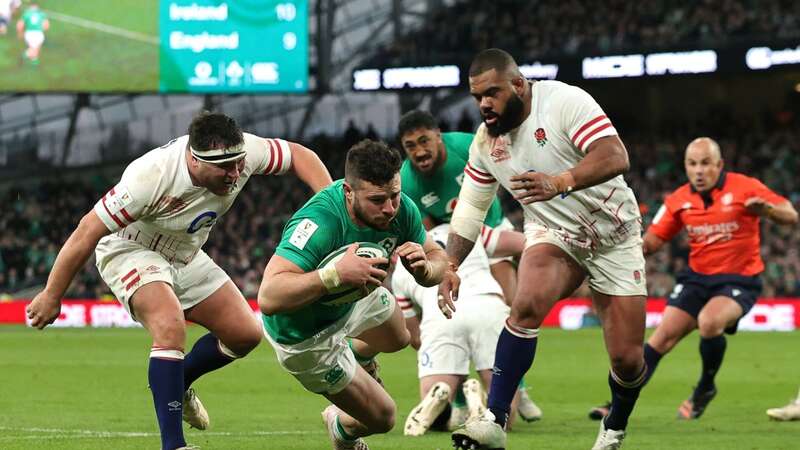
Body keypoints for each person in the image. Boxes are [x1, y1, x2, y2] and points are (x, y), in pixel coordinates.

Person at [26, 112, 333, 450]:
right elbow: (87, 231)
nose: (236, 174)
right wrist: (52, 295)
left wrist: (334, 209)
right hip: (130, 248)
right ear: (195, 159)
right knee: (170, 327)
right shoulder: (151, 177)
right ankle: (174, 445)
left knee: (245, 334)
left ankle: (179, 381)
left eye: (238, 164)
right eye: (225, 168)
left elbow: (302, 156)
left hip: (185, 252)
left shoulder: (245, 153)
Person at [438, 48, 648, 450]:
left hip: (615, 234)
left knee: (627, 360)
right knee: (526, 304)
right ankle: (495, 420)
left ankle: (614, 428)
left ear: (518, 84)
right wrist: (450, 264)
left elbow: (615, 155)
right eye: (477, 96)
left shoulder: (564, 101)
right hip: (554, 232)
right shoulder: (486, 144)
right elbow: (469, 211)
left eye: (493, 93)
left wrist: (560, 180)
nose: (484, 104)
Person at [258, 139, 457, 450]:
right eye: (377, 200)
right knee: (383, 418)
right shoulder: (319, 222)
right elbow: (269, 297)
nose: (390, 208)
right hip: (304, 336)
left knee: (398, 337)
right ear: (349, 193)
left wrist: (425, 270)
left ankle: (358, 356)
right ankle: (339, 427)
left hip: (353, 300)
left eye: (394, 195)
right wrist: (334, 275)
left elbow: (436, 258)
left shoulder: (400, 208)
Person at [589, 137, 798, 422]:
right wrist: (619, 251)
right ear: (686, 166)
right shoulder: (678, 200)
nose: (699, 171)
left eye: (705, 164)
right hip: (696, 280)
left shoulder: (745, 186)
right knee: (660, 339)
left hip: (738, 281)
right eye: (692, 164)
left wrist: (769, 211)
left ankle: (704, 388)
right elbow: (651, 241)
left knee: (710, 322)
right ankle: (616, 404)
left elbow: (791, 215)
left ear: (719, 165)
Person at [398, 110, 541, 421]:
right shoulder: (407, 180)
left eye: (424, 141)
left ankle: (519, 387)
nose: (419, 151)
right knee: (448, 315)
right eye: (411, 146)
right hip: (452, 243)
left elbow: (502, 169)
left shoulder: (467, 145)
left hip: (492, 232)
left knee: (511, 308)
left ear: (438, 135)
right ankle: (465, 391)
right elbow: (420, 229)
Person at [394, 223, 536, 437]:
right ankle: (481, 406)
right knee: (505, 413)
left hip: (440, 312)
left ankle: (443, 400)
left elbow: (413, 336)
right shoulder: (466, 230)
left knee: (436, 415)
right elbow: (523, 243)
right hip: (487, 305)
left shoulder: (400, 267)